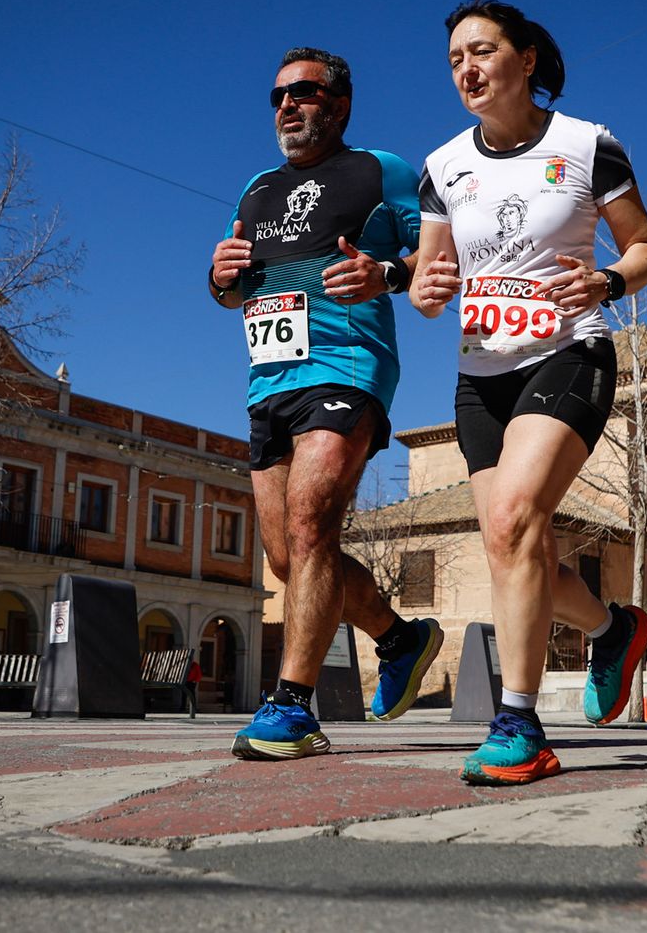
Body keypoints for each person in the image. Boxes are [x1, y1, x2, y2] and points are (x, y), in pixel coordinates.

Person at [412, 0, 647, 785]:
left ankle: (518, 723)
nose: (467, 69)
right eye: (455, 59)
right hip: (481, 375)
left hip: (570, 352)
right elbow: (429, 273)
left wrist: (609, 281)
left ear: (525, 59)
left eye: (481, 52)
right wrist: (425, 287)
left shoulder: (589, 145)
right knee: (509, 543)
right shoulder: (442, 165)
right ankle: (614, 630)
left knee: (518, 517)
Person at [210, 47, 443, 760]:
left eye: (303, 92)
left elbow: (439, 262)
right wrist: (219, 279)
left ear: (339, 103)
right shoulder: (255, 188)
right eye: (277, 95)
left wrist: (388, 271)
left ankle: (292, 708)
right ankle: (401, 638)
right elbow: (233, 288)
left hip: (348, 366)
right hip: (268, 384)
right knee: (289, 557)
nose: (286, 105)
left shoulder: (381, 170)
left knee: (313, 520)